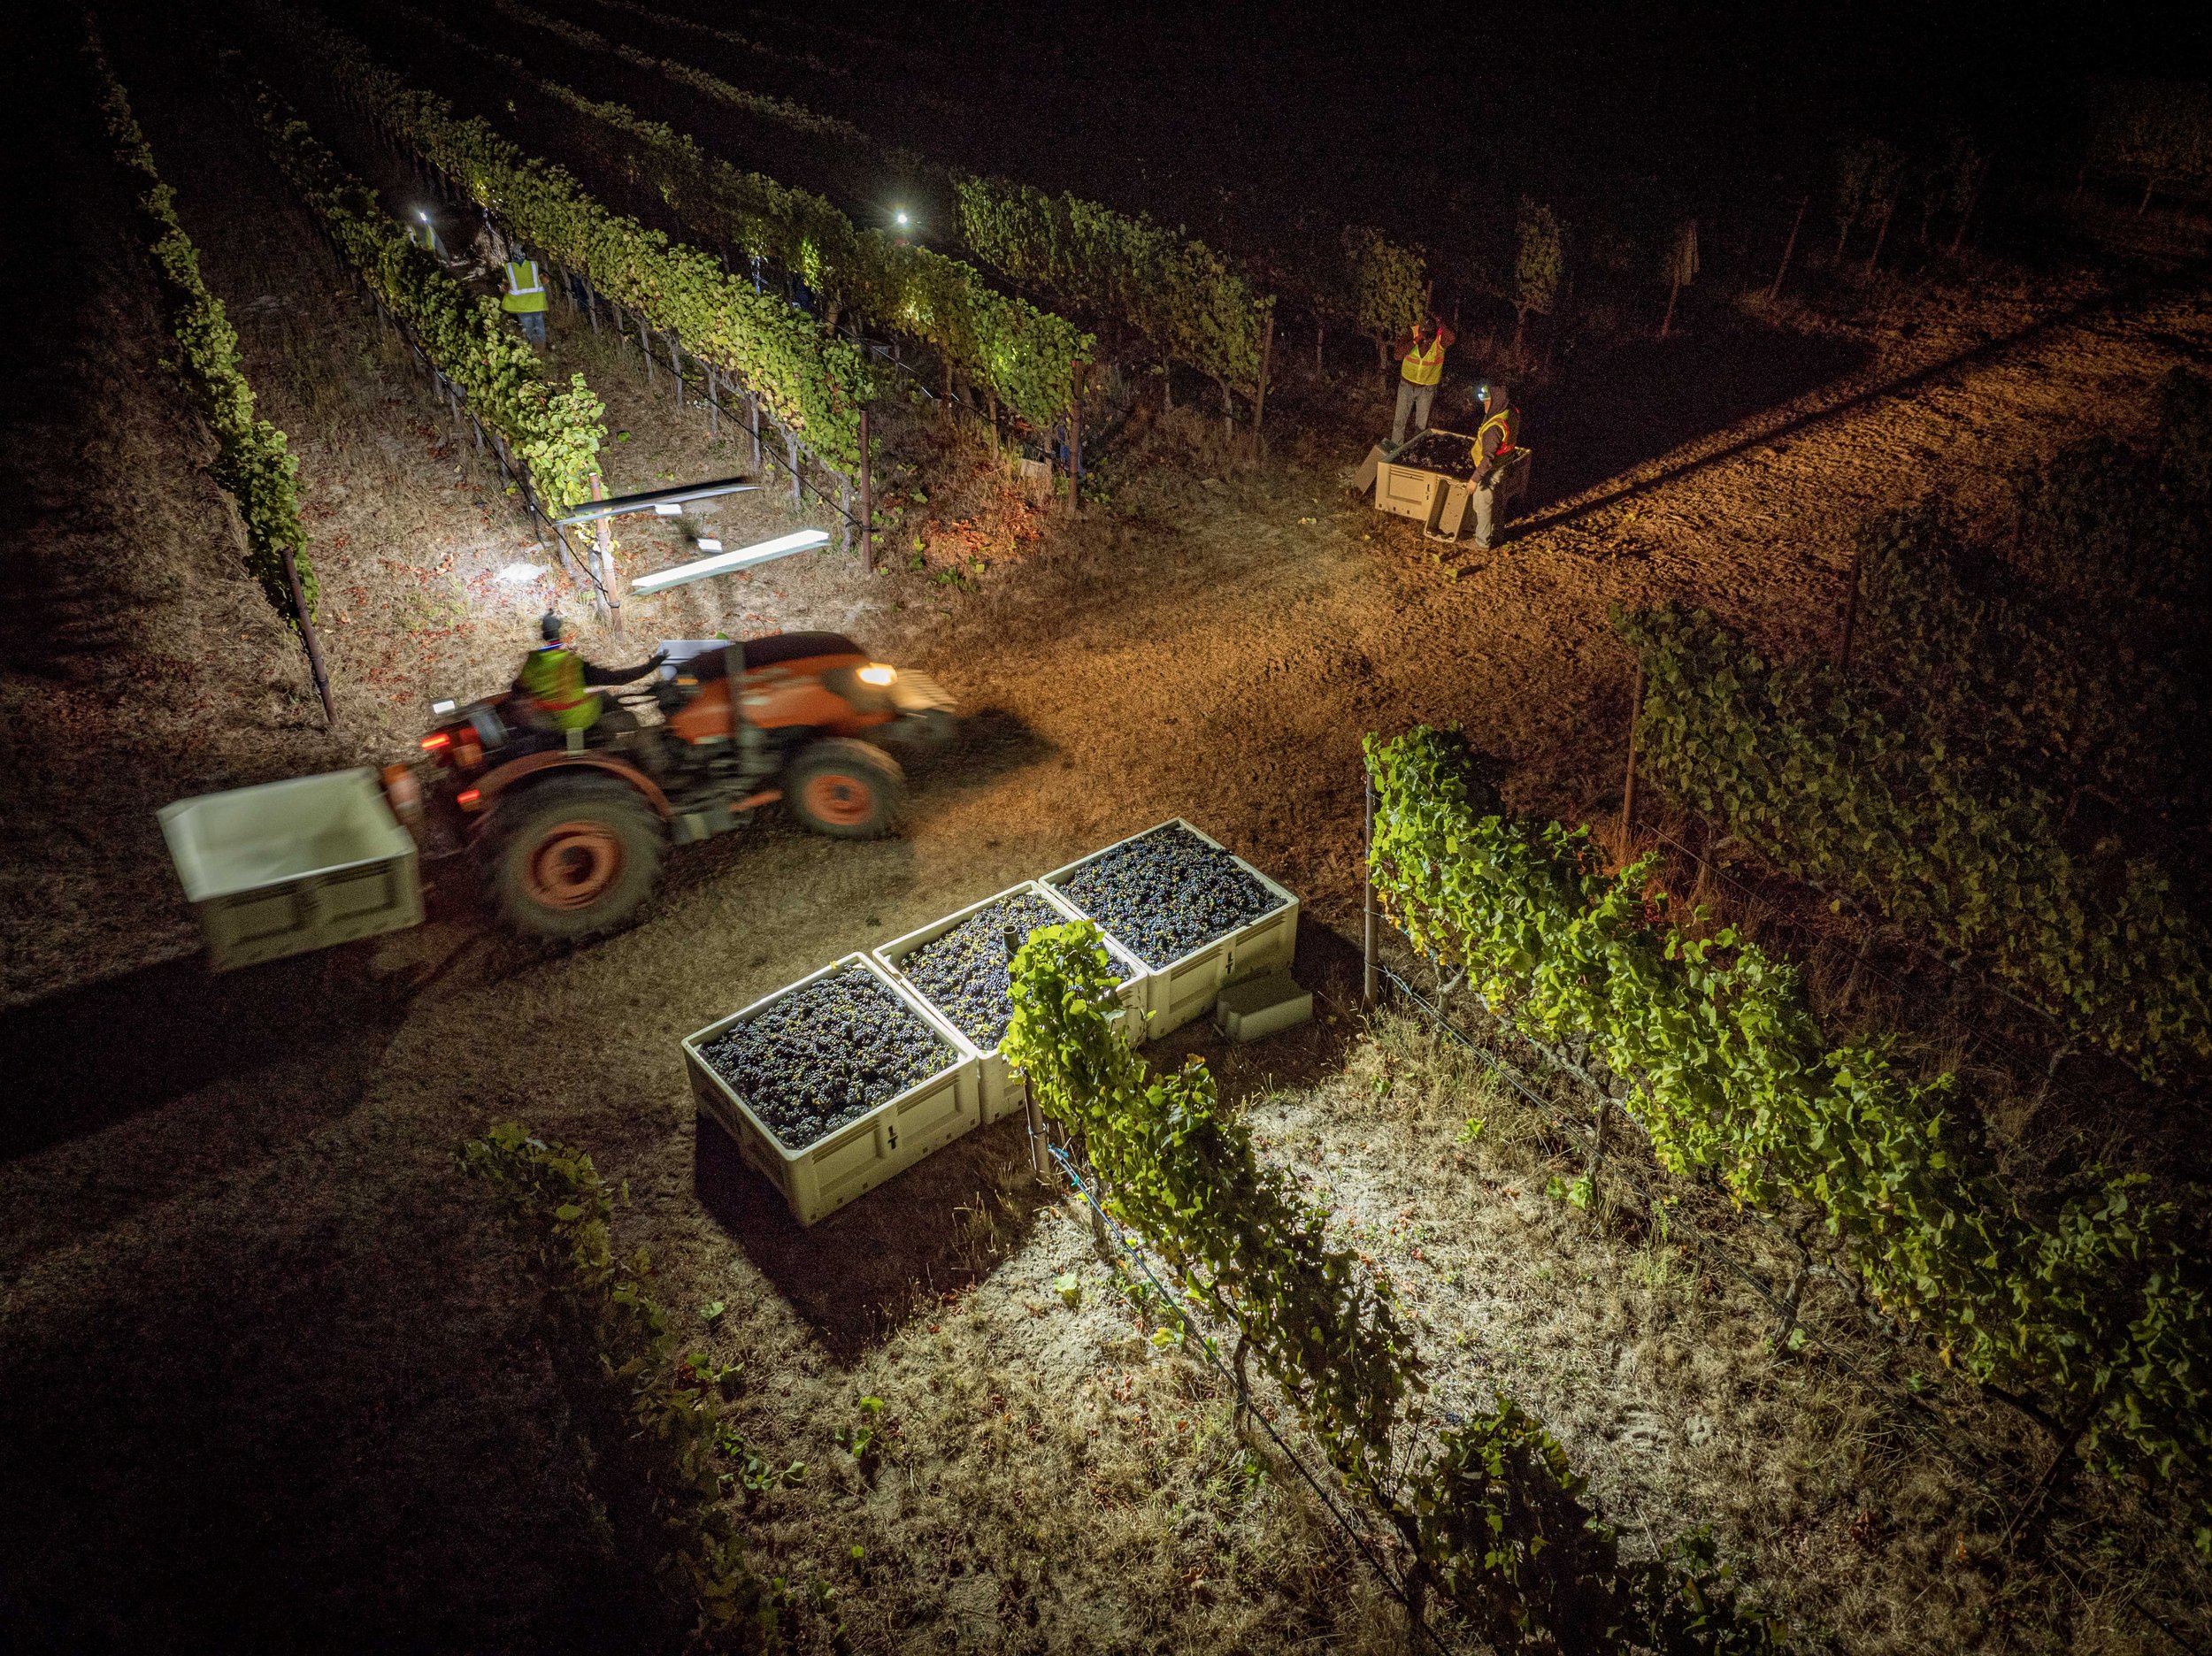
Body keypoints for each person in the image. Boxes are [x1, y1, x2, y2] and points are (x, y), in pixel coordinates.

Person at [514, 613, 664, 738]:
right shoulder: (572, 665)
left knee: (604, 696)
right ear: (560, 635)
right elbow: (619, 678)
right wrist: (652, 665)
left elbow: (519, 689)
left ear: (543, 635)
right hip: (580, 723)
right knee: (628, 722)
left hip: (552, 720)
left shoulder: (532, 661)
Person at [1467, 380, 1521, 549]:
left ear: (1495, 402)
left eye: (1487, 402)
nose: (1485, 406)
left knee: (1482, 506)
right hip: (1505, 465)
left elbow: (1487, 460)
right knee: (1498, 503)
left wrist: (1474, 480)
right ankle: (1498, 535)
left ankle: (1482, 542)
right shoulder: (1511, 413)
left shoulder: (1494, 428)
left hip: (1491, 472)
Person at [1390, 315, 1455, 447]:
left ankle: (1415, 452)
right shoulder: (1412, 333)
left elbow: (1452, 338)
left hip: (1427, 388)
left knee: (1421, 427)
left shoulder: (1439, 339)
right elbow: (1397, 355)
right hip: (1406, 385)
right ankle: (1394, 451)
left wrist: (1441, 323)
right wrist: (1415, 341)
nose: (1427, 341)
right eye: (1425, 336)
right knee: (1399, 422)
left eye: (1429, 337)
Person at [502, 249, 549, 348]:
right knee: (540, 325)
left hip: (520, 305)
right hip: (536, 303)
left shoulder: (509, 269)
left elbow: (505, 288)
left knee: (529, 328)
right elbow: (545, 280)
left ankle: (535, 347)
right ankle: (542, 347)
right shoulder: (534, 265)